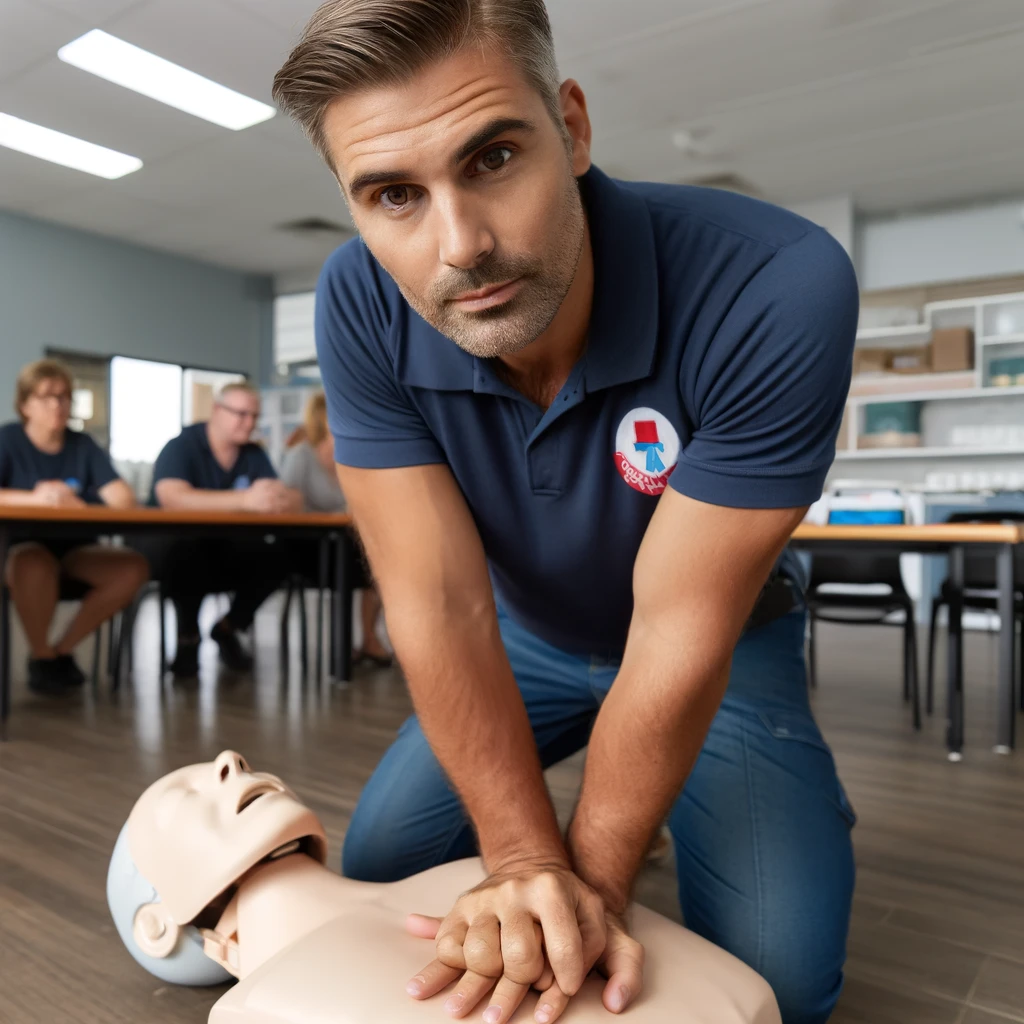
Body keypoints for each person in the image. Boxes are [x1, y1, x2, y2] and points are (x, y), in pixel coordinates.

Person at [272, 4, 859, 1023]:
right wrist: (522, 859)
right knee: (381, 866)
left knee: (781, 980)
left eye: (493, 156)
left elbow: (677, 626)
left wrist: (580, 888)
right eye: (394, 195)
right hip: (524, 635)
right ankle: (638, 805)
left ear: (573, 128)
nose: (462, 246)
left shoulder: (777, 283)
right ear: (352, 205)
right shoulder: (360, 299)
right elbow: (442, 603)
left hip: (720, 642)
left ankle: (771, 796)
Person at [106, 750, 781, 1024]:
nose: (231, 761)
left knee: (792, 969)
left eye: (234, 761)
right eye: (184, 792)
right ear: (157, 926)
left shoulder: (470, 879)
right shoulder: (259, 1008)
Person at [0, 359, 149, 694]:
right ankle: (41, 655)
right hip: (19, 549)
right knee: (31, 561)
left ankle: (60, 652)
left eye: (65, 396)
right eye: (47, 396)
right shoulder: (8, 440)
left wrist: (81, 503)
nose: (58, 404)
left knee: (132, 567)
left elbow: (124, 500)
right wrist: (36, 499)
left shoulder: (83, 445)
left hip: (77, 549)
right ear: (25, 404)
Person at [145, 382, 300, 676]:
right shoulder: (182, 446)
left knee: (278, 555)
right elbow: (172, 497)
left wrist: (279, 497)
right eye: (241, 414)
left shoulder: (253, 454)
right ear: (216, 411)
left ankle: (228, 628)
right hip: (172, 553)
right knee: (190, 551)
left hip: (227, 550)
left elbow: (287, 496)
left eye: (254, 416)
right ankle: (187, 635)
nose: (249, 422)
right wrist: (245, 499)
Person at [280, 391, 392, 666]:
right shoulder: (300, 456)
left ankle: (368, 637)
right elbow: (286, 507)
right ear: (323, 418)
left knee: (382, 562)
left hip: (346, 541)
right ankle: (355, 644)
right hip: (308, 547)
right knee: (368, 560)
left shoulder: (352, 456)